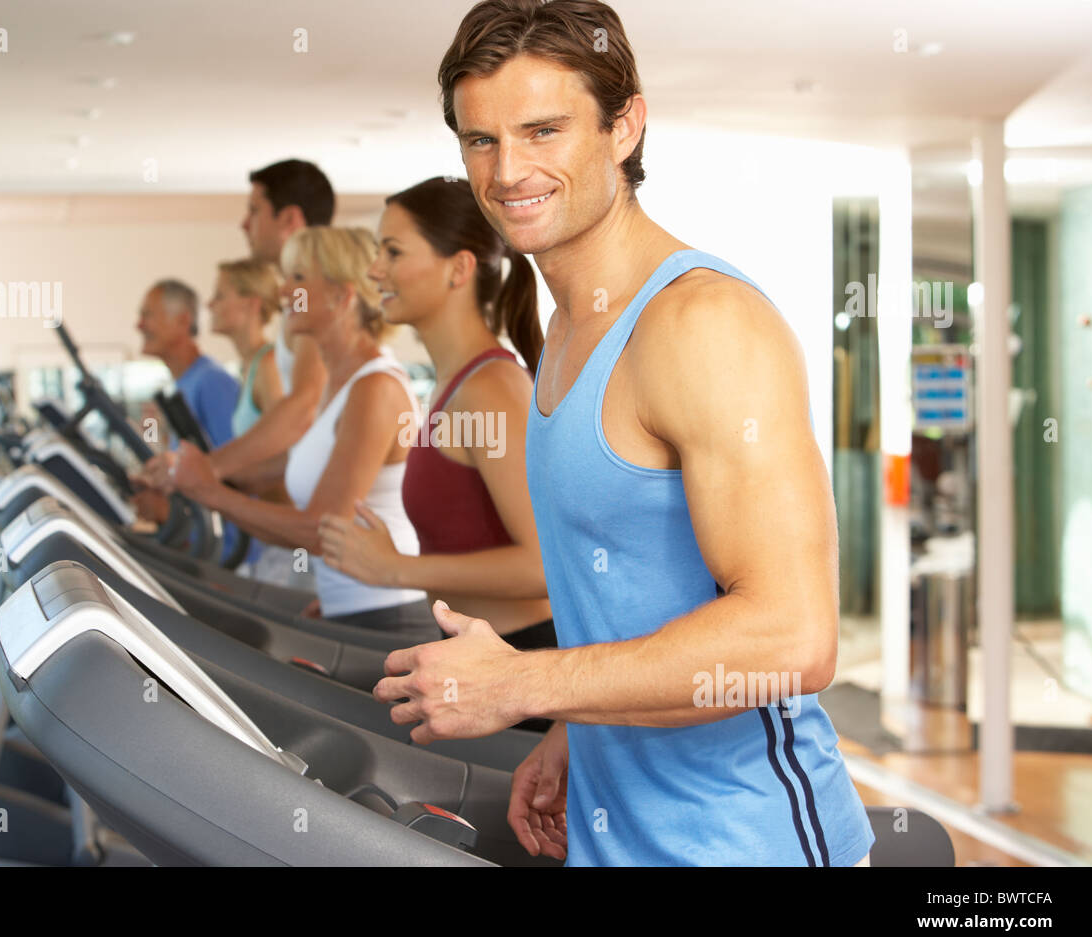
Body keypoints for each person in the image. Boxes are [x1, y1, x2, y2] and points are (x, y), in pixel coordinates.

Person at [372, 0, 875, 868]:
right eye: (480, 140)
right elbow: (637, 596)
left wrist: (526, 683)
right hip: (621, 835)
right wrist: (576, 726)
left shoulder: (702, 324)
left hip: (749, 844)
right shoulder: (565, 334)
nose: (507, 170)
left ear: (625, 125)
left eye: (542, 130)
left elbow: (793, 636)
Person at [317, 176, 555, 650]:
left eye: (393, 252)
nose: (374, 271)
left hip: (521, 658)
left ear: (459, 269)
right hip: (469, 653)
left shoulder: (491, 388)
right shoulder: (454, 382)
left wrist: (395, 569)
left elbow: (546, 568)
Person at [160, 226, 435, 636]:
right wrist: (190, 474)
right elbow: (284, 470)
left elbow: (321, 529)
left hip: (386, 618)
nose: (284, 290)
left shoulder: (375, 389)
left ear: (343, 297)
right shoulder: (336, 386)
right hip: (346, 608)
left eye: (299, 279)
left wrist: (209, 490)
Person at [141, 159, 334, 586]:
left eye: (253, 212)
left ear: (289, 219)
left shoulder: (312, 303)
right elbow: (295, 449)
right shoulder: (295, 312)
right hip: (297, 542)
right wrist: (202, 476)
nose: (244, 225)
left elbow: (302, 408)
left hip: (310, 546)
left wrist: (209, 470)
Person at [134, 278, 241, 563]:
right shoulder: (184, 385)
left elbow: (236, 478)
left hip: (233, 557)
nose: (139, 326)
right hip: (206, 547)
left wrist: (167, 511)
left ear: (183, 321)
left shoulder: (212, 382)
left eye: (148, 315)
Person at [206, 259, 285, 574]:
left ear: (252, 304)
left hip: (284, 538)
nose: (210, 304)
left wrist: (217, 476)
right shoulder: (249, 366)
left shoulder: (269, 365)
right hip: (265, 536)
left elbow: (287, 452)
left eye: (220, 295)